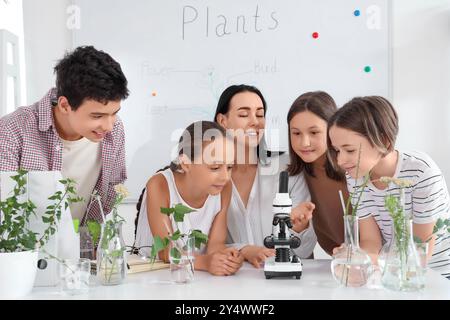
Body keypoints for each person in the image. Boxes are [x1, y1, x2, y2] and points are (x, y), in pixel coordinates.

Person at [0, 46, 129, 224]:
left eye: (114, 113)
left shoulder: (115, 129)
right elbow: (5, 207)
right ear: (64, 105)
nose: (108, 125)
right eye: (97, 116)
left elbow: (112, 188)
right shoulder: (13, 130)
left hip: (85, 247)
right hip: (26, 250)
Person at [328, 95, 450, 278]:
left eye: (350, 150)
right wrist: (356, 257)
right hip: (392, 273)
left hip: (438, 276)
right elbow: (371, 241)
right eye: (337, 150)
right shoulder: (355, 176)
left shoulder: (421, 172)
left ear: (383, 141)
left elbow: (420, 252)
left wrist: (370, 262)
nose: (340, 160)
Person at [214, 84, 316, 268]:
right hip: (231, 280)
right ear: (222, 121)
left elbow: (304, 252)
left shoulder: (289, 169)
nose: (255, 122)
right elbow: (204, 243)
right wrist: (245, 250)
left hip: (286, 282)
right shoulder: (209, 177)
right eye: (244, 115)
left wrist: (300, 230)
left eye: (260, 115)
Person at [134, 121, 244, 276]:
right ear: (185, 163)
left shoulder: (224, 188)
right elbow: (166, 250)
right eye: (215, 168)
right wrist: (206, 262)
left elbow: (215, 245)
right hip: (153, 276)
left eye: (230, 167)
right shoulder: (159, 185)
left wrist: (229, 259)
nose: (225, 177)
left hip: (196, 275)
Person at [287, 91, 350, 256]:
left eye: (314, 132)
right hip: (337, 261)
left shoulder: (352, 167)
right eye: (296, 133)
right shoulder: (298, 175)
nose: (304, 143)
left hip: (371, 261)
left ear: (332, 130)